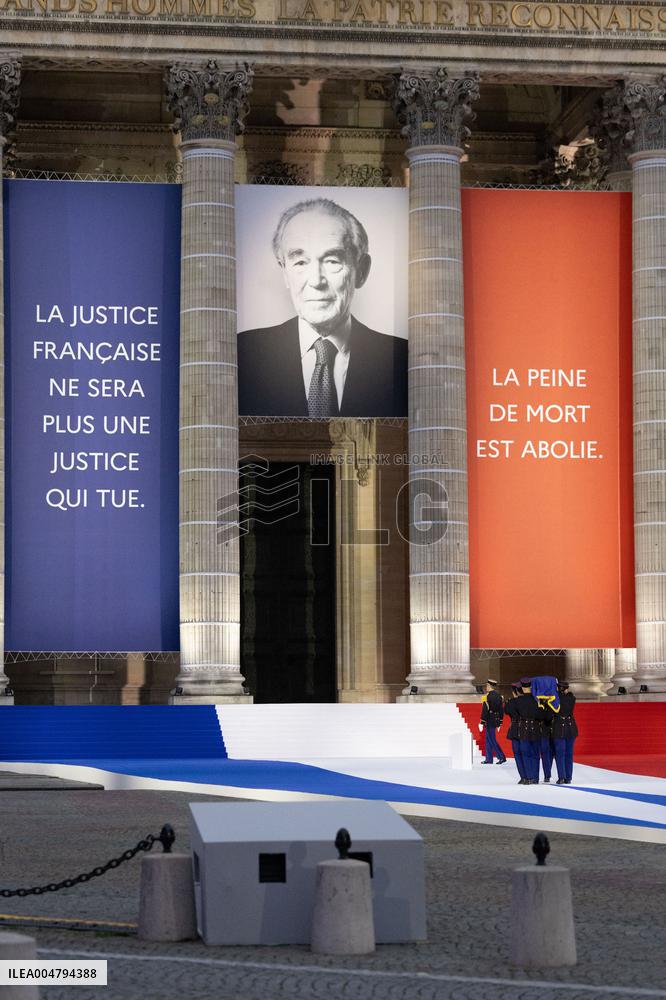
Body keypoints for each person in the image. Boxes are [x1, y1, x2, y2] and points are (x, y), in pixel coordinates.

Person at [238, 198, 408, 418]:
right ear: (284, 272)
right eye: (300, 262)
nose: (316, 280)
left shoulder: (403, 360)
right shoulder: (242, 355)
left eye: (332, 261)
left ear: (362, 271)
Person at [513, 677, 547, 784]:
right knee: (535, 754)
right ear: (531, 687)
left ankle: (528, 777)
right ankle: (535, 778)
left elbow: (514, 714)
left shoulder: (517, 701)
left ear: (522, 688)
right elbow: (542, 716)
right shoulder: (536, 700)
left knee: (525, 753)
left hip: (523, 728)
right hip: (535, 728)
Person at [550, 680, 579, 784]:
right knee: (569, 753)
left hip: (559, 727)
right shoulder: (571, 698)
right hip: (570, 727)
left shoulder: (555, 699)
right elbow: (569, 697)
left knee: (560, 753)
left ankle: (561, 777)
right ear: (566, 689)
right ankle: (568, 777)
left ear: (558, 688)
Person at [504, 681, 527, 784]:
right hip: (526, 728)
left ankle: (523, 777)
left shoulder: (511, 702)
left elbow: (506, 711)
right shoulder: (530, 700)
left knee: (518, 754)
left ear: (515, 692)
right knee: (528, 754)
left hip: (514, 729)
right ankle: (530, 776)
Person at [479, 679, 506, 765]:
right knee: (488, 739)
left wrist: (482, 722)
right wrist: (500, 722)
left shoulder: (487, 696)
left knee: (491, 739)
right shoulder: (499, 696)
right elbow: (501, 710)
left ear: (489, 686)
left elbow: (485, 710)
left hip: (489, 719)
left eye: (487, 686)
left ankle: (501, 757)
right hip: (496, 719)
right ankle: (489, 759)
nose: (486, 687)